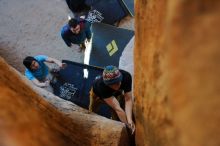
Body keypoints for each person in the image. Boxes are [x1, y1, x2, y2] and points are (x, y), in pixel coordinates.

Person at [89, 65, 135, 134]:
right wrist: (128, 125)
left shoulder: (126, 76)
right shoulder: (101, 86)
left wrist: (129, 120)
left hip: (116, 93)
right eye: (114, 84)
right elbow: (118, 109)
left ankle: (116, 128)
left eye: (118, 81)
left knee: (116, 116)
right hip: (97, 95)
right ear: (107, 84)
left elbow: (128, 99)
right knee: (92, 110)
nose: (118, 85)